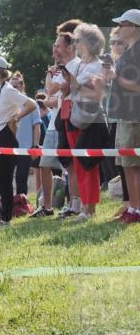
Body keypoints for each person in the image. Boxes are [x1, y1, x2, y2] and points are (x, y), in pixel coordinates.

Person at [0, 56, 38, 228]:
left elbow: (31, 104)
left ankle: (5, 220)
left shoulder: (8, 90)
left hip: (5, 137)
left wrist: (16, 118)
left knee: (3, 180)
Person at [59, 23, 111, 220]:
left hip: (90, 118)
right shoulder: (78, 63)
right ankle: (83, 206)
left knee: (88, 163)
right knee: (78, 163)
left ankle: (90, 209)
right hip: (74, 116)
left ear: (89, 42)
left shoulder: (98, 65)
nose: (74, 43)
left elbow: (97, 96)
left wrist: (76, 85)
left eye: (77, 40)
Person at [46, 21, 84, 217]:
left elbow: (63, 88)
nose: (55, 49)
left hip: (74, 116)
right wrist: (56, 75)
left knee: (75, 161)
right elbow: (51, 89)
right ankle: (75, 202)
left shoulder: (76, 65)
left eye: (58, 46)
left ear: (70, 48)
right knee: (68, 162)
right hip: (64, 115)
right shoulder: (64, 67)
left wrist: (59, 80)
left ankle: (78, 204)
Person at [107, 10, 140, 223]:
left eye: (124, 23)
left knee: (133, 164)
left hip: (134, 115)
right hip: (124, 115)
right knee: (127, 164)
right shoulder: (130, 51)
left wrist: (115, 77)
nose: (119, 27)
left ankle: (137, 211)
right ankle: (132, 208)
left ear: (135, 27)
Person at [9, 72, 41, 216]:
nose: (14, 88)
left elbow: (37, 126)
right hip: (8, 147)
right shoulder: (8, 103)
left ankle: (22, 206)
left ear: (22, 86)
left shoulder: (31, 103)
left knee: (21, 178)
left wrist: (35, 145)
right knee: (7, 177)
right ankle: (9, 205)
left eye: (16, 85)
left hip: (25, 147)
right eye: (11, 86)